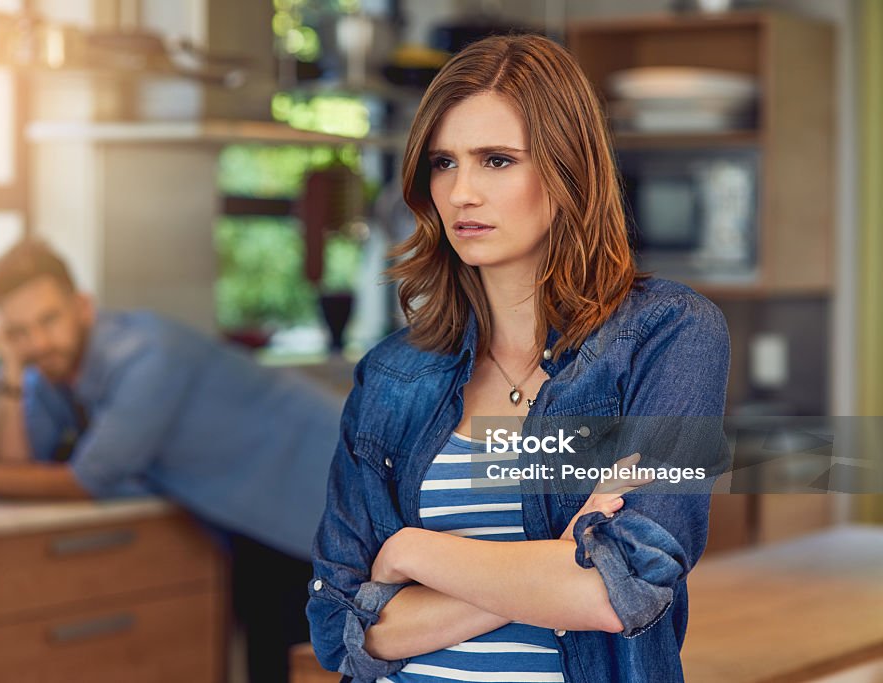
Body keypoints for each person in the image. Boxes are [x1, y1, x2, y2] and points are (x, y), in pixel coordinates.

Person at [305, 34, 730, 683]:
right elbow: (341, 630)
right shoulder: (393, 373)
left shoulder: (669, 334)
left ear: (566, 171)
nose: (461, 192)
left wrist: (413, 553)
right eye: (444, 163)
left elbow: (620, 594)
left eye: (496, 160)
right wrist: (552, 567)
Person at [0, 239, 343, 683]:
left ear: (82, 307)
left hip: (324, 491)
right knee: (275, 660)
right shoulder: (52, 372)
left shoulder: (147, 354)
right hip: (252, 517)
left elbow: (84, 481)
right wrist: (12, 368)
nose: (38, 341)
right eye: (20, 332)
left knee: (315, 664)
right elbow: (15, 462)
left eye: (49, 320)